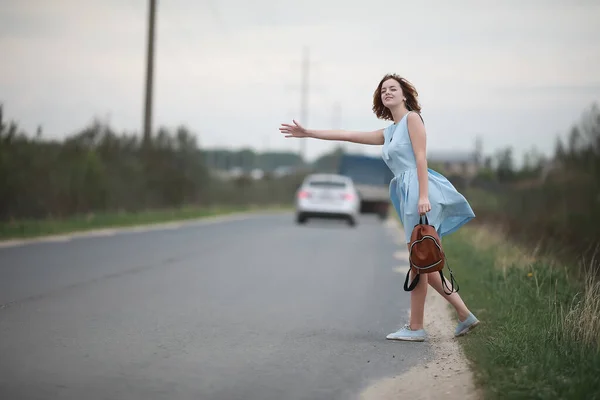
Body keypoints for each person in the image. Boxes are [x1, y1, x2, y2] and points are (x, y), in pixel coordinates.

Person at [279, 73, 480, 342]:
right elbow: (348, 135)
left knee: (420, 260)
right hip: (407, 191)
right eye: (383, 90)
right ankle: (464, 315)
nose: (387, 92)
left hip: (419, 190)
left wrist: (422, 196)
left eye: (392, 88)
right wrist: (309, 133)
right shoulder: (390, 132)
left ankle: (417, 327)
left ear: (404, 94)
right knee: (425, 260)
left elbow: (421, 158)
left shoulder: (413, 119)